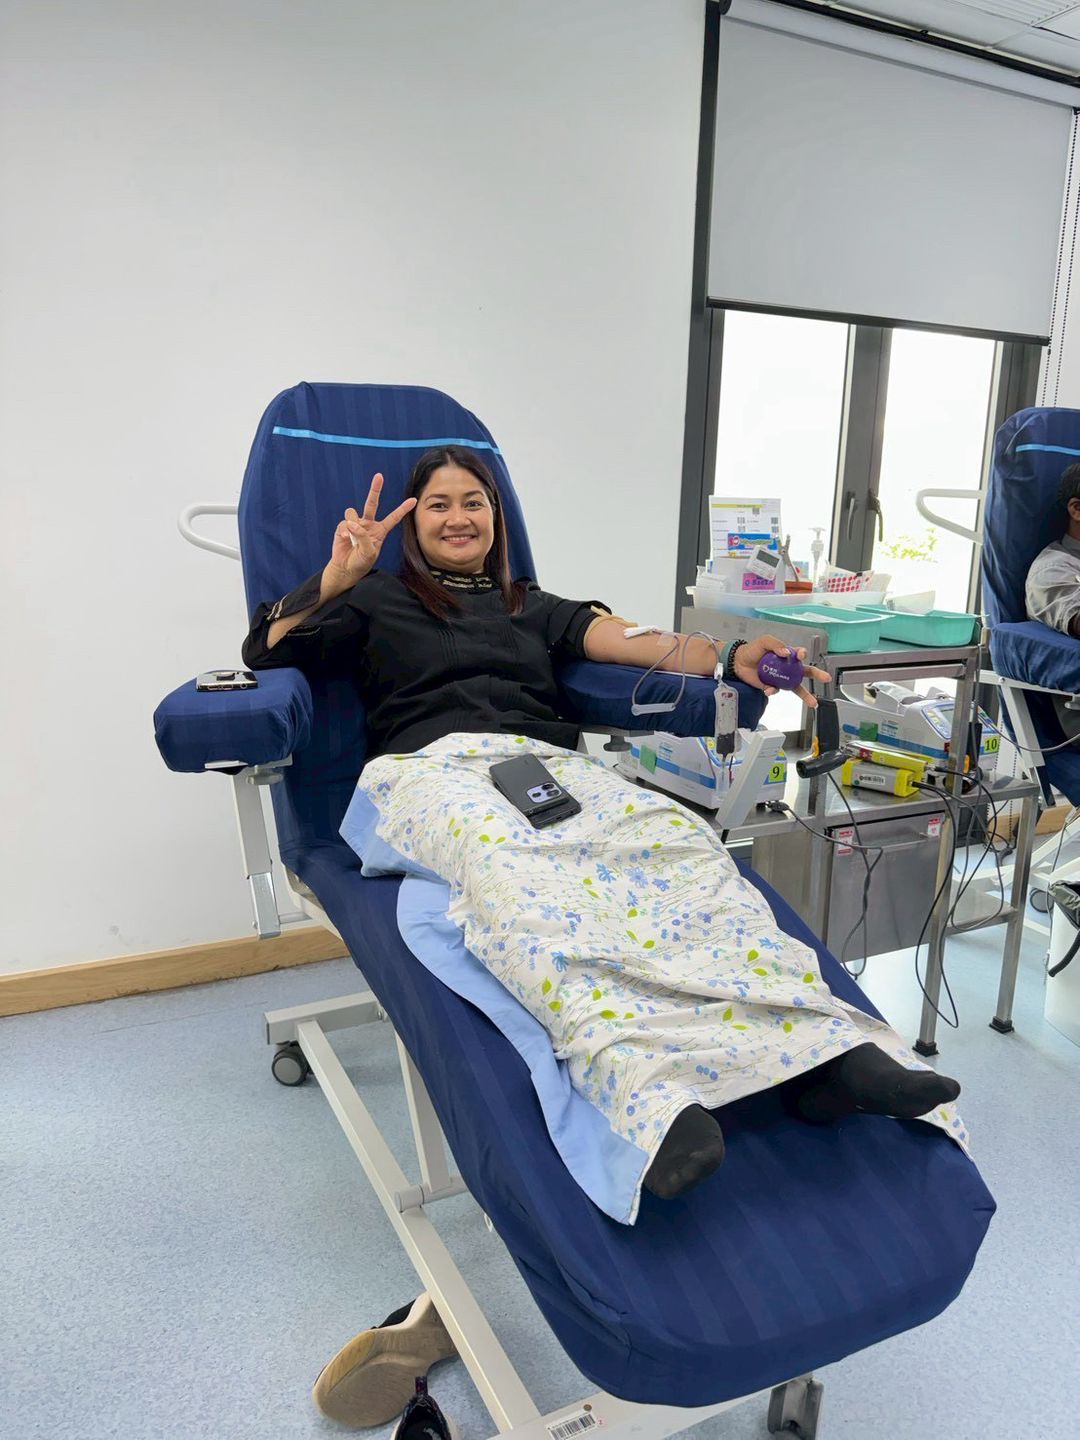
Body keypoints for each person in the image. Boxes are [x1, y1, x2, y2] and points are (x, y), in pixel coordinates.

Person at [244, 446, 960, 1205]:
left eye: (473, 502)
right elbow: (264, 649)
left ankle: (826, 1053)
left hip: (548, 771)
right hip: (432, 772)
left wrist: (733, 655)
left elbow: (637, 641)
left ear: (496, 518)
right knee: (529, 888)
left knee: (684, 851)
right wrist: (338, 577)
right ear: (413, 524)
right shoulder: (373, 599)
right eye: (438, 505)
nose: (458, 518)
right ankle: (645, 1097)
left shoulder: (530, 605)